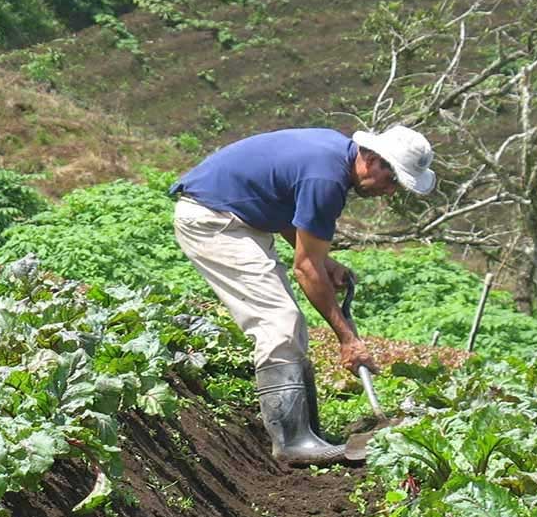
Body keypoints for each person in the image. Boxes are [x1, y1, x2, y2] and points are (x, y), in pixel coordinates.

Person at [170, 126, 435, 466]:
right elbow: (306, 268)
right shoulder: (327, 179)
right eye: (392, 178)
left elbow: (283, 207)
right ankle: (292, 442)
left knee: (291, 325)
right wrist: (348, 339)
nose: (391, 190)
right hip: (213, 219)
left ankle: (308, 433)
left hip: (238, 216)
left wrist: (326, 262)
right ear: (371, 158)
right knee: (278, 322)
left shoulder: (332, 155)